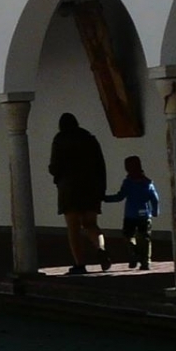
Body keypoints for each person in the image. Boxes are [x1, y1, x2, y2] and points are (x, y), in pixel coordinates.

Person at [48, 113, 108, 274]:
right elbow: (100, 166)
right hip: (91, 187)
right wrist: (101, 190)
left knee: (73, 228)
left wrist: (56, 174)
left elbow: (55, 166)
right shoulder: (90, 139)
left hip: (69, 189)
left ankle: (80, 264)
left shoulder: (60, 140)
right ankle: (101, 247)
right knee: (91, 224)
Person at [104, 156, 161, 270]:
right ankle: (146, 261)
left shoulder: (128, 183)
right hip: (145, 214)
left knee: (128, 236)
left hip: (130, 215)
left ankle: (133, 251)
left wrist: (105, 198)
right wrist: (155, 211)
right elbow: (155, 198)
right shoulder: (148, 183)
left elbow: (120, 196)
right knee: (145, 238)